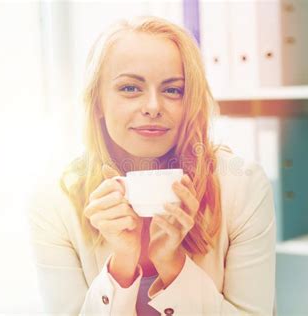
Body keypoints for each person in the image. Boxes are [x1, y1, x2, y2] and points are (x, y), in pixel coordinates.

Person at [27, 15, 276, 315]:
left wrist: (173, 266)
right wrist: (121, 266)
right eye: (130, 88)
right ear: (97, 104)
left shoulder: (242, 187)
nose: (153, 107)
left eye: (173, 90)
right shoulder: (54, 202)